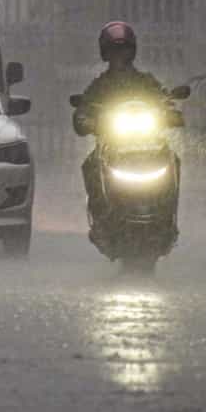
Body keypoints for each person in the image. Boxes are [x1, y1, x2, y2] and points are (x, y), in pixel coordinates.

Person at [72, 22, 173, 245]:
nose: (120, 55)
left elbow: (165, 99)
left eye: (124, 49)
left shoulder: (146, 81)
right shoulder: (100, 85)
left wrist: (171, 111)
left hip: (149, 144)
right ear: (105, 53)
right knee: (90, 165)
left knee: (173, 158)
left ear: (132, 51)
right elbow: (84, 109)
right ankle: (101, 218)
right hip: (112, 144)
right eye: (114, 50)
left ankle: (168, 217)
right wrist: (85, 119)